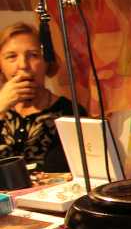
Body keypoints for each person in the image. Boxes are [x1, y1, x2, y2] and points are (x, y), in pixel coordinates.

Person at [0, 22, 79, 173]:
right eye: (11, 56)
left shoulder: (70, 113)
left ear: (47, 62)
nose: (23, 65)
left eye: (33, 55)